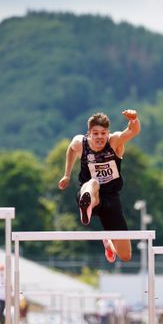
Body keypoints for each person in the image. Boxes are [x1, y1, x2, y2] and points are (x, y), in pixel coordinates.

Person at [58, 110, 141, 263]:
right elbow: (71, 149)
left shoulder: (114, 141)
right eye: (95, 133)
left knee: (126, 255)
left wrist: (134, 119)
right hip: (90, 193)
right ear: (89, 133)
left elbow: (133, 130)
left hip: (111, 199)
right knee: (93, 183)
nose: (100, 137)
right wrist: (67, 174)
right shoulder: (80, 143)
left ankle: (108, 243)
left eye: (103, 133)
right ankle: (87, 204)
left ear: (107, 133)